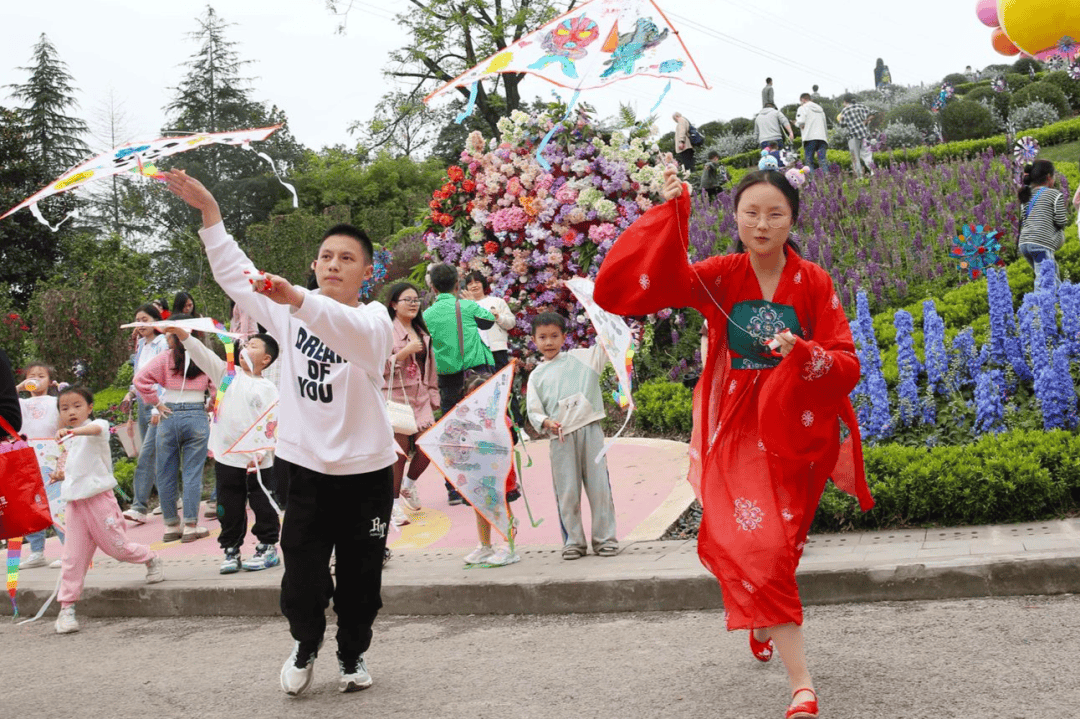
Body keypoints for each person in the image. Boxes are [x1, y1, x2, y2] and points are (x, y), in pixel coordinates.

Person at [593, 164, 874, 719]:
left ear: (793, 218)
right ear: (737, 218)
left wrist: (803, 353)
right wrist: (674, 212)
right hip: (739, 430)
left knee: (783, 547)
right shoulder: (721, 274)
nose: (762, 223)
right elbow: (649, 284)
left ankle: (760, 611)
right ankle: (802, 685)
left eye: (775, 213)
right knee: (762, 545)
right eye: (751, 212)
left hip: (798, 430)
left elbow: (846, 360)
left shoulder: (814, 281)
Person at [163, 168, 397, 697]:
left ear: (366, 270)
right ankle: (306, 642)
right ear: (316, 264)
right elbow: (233, 271)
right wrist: (210, 215)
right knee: (303, 575)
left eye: (347, 258)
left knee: (362, 578)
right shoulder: (290, 308)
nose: (334, 264)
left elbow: (354, 333)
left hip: (367, 471)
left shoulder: (376, 319)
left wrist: (297, 298)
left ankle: (352, 654)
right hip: (305, 467)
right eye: (327, 256)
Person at [167, 324, 282, 574]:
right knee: (229, 507)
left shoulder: (269, 389)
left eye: (253, 346)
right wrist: (183, 334)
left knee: (264, 505)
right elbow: (202, 355)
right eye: (245, 344)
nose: (245, 348)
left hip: (258, 461)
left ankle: (267, 547)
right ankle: (231, 550)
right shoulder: (227, 375)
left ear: (266, 359)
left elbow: (271, 424)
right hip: (227, 457)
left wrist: (262, 452)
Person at [51, 386, 164, 635]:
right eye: (64, 408)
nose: (71, 411)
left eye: (77, 406)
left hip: (100, 502)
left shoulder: (96, 427)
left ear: (89, 408)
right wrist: (60, 475)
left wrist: (72, 431)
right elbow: (76, 469)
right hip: (75, 505)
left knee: (118, 549)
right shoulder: (68, 443)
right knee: (72, 558)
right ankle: (67, 608)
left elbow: (97, 429)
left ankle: (150, 557)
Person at [525, 312, 618, 560]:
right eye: (542, 337)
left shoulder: (583, 358)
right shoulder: (537, 375)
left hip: (591, 431)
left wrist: (601, 319)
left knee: (599, 487)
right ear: (534, 340)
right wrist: (545, 422)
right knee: (567, 491)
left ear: (565, 337)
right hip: (561, 437)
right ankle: (573, 541)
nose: (548, 342)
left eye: (554, 336)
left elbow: (606, 346)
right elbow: (534, 410)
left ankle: (605, 538)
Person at [134, 313, 214, 544]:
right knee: (192, 473)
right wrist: (212, 404)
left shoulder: (164, 358)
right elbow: (223, 382)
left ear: (174, 336)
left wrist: (155, 403)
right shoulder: (205, 357)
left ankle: (171, 525)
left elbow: (140, 380)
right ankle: (190, 525)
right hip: (197, 413)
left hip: (169, 413)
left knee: (165, 471)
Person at [423, 263, 496, 505]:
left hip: (448, 379)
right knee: (483, 426)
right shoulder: (465, 306)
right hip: (476, 375)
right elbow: (488, 321)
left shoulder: (427, 316)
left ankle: (455, 489)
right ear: (457, 284)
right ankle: (485, 481)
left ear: (432, 287)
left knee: (452, 432)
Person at [383, 282, 439, 526]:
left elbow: (431, 368)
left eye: (416, 299)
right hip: (395, 396)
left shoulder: (422, 333)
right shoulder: (385, 331)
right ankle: (393, 504)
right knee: (400, 454)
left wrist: (433, 393)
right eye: (407, 300)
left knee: (430, 444)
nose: (414, 304)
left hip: (421, 396)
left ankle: (409, 485)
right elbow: (377, 366)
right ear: (394, 304)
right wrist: (403, 353)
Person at [461, 373, 521, 567]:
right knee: (480, 508)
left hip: (499, 475)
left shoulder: (501, 420)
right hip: (477, 474)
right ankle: (485, 546)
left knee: (502, 508)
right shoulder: (466, 422)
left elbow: (510, 441)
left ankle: (508, 545)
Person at [121, 303, 169, 524]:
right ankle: (171, 498)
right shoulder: (140, 345)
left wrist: (158, 406)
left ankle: (139, 506)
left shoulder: (163, 343)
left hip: (156, 402)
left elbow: (164, 376)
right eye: (137, 320)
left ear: (155, 321)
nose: (141, 325)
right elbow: (139, 375)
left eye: (145, 320)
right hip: (141, 401)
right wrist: (129, 395)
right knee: (153, 452)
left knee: (147, 454)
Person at [16, 363, 62, 569]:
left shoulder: (56, 401)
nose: (35, 379)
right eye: (31, 376)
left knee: (57, 502)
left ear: (50, 382)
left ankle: (69, 547)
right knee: (31, 504)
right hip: (26, 455)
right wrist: (18, 388)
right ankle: (36, 551)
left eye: (40, 376)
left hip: (51, 454)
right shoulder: (21, 403)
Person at [1017, 159, 1069, 273]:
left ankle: (1062, 291)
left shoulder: (1027, 196)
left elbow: (1025, 220)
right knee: (1046, 281)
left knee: (1051, 275)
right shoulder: (1055, 194)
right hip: (1040, 243)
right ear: (1049, 177)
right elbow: (1060, 222)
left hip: (1024, 243)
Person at [465, 271, 516, 369]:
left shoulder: (497, 302)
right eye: (470, 284)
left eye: (477, 282)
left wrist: (498, 317)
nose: (474, 286)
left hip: (497, 350)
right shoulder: (465, 307)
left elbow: (511, 323)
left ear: (483, 284)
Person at [837, 95, 876, 179]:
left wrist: (840, 119)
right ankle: (873, 172)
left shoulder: (845, 110)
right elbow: (873, 113)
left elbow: (842, 124)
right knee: (867, 154)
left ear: (845, 102)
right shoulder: (862, 106)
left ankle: (859, 177)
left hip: (853, 136)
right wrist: (865, 121)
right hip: (865, 134)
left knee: (855, 157)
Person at [796, 93, 829, 172]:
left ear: (803, 100)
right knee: (822, 161)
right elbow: (825, 125)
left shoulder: (802, 108)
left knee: (809, 162)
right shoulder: (821, 110)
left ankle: (811, 182)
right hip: (822, 138)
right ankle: (827, 180)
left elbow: (801, 122)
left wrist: (796, 124)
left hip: (809, 138)